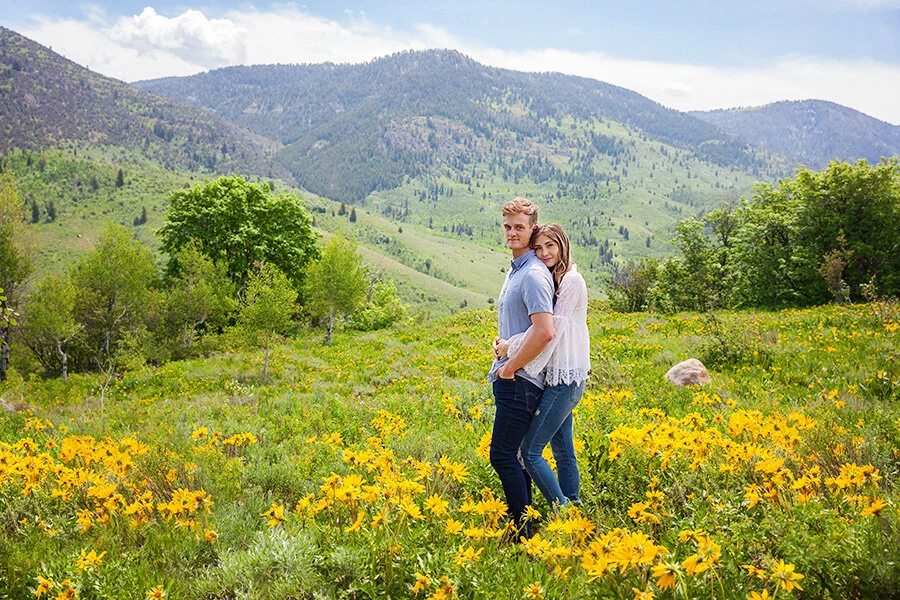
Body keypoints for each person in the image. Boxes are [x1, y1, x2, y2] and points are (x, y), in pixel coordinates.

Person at [495, 223, 590, 509]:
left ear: (563, 245)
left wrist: (510, 345)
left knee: (530, 451)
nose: (545, 252)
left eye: (551, 246)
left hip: (565, 380)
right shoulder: (555, 279)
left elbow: (551, 329)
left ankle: (562, 512)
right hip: (558, 378)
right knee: (563, 450)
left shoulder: (572, 280)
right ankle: (573, 506)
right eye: (538, 248)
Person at [488, 198, 554, 539]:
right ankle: (524, 525)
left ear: (532, 229)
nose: (512, 233)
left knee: (501, 455)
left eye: (519, 227)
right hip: (513, 377)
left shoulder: (532, 275)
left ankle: (521, 532)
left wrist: (510, 367)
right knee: (514, 456)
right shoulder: (517, 270)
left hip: (521, 381)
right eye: (507, 227)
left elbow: (544, 331)